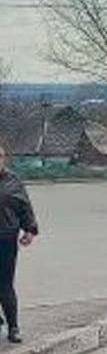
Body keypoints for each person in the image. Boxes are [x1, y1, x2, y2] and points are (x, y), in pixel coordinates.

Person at [0, 145, 38, 343]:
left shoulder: (13, 181)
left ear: (3, 158)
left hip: (6, 238)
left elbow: (25, 207)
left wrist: (30, 230)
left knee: (4, 285)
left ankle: (13, 327)